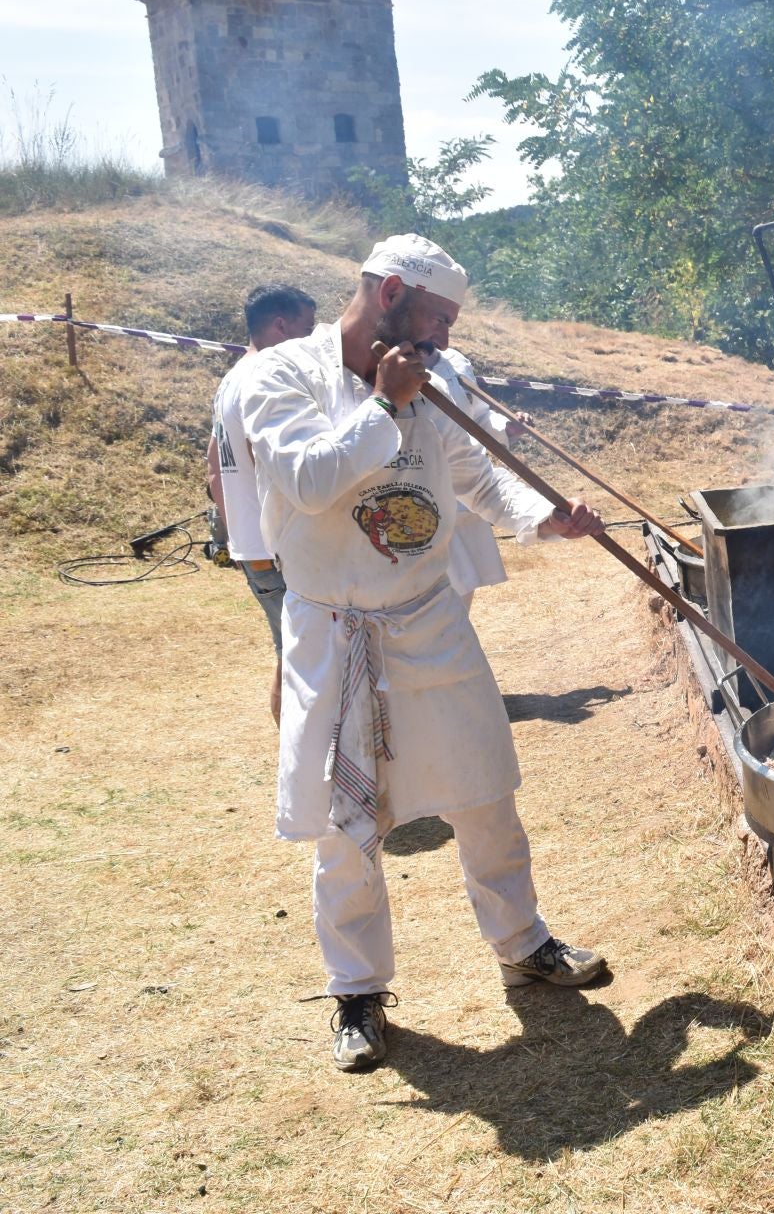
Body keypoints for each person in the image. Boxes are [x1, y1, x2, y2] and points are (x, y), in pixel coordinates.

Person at [238, 234, 611, 1073]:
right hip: (336, 634)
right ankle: (358, 992)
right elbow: (304, 481)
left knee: (486, 788)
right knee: (347, 826)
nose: (442, 337)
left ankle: (523, 943)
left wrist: (541, 516)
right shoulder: (278, 376)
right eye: (435, 318)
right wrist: (381, 405)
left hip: (427, 616)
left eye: (447, 324)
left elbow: (480, 475)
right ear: (391, 290)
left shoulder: (432, 379)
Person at [207, 283, 318, 723]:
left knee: (289, 650)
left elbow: (214, 463)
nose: (311, 340)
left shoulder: (233, 377)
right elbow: (274, 462)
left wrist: (238, 533)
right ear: (280, 325)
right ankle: (301, 760)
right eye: (306, 329)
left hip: (256, 546)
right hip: (279, 547)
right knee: (302, 655)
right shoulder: (264, 377)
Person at [429, 346, 532, 607]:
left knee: (460, 598)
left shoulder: (454, 362)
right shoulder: (386, 363)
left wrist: (505, 426)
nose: (443, 336)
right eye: (437, 320)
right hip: (418, 496)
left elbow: (477, 416)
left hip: (463, 498)